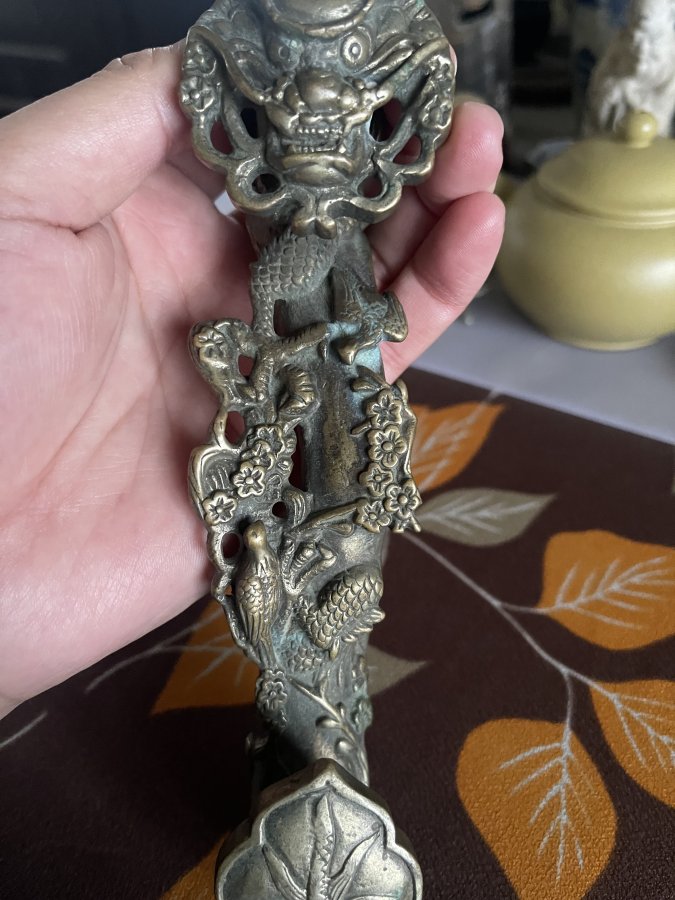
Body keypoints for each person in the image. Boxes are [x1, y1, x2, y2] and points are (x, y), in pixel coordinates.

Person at [0, 44, 504, 719]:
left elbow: (353, 325)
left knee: (348, 509)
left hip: (325, 387)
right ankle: (317, 706)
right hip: (299, 376)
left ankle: (326, 707)